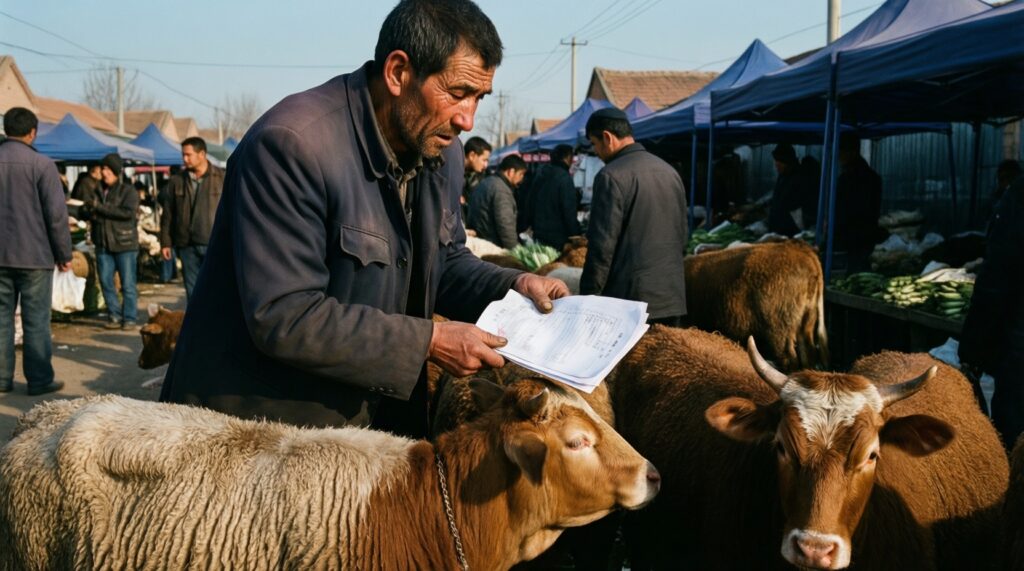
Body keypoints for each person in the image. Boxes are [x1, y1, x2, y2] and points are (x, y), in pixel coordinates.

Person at [159, 0, 568, 439]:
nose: (467, 119)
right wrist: (427, 341)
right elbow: (284, 314)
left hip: (362, 425)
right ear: (397, 73)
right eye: (457, 93)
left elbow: (444, 261)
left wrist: (513, 286)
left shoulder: (438, 149)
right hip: (255, 430)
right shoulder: (293, 146)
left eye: (478, 98)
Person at [580, 107, 688, 326]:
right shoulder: (669, 172)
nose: (596, 151)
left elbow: (602, 249)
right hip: (672, 297)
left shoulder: (611, 176)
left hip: (630, 304)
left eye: (594, 143)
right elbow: (682, 237)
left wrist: (587, 299)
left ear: (607, 138)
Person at [0, 107, 70, 396]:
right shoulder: (41, 165)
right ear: (32, 132)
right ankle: (39, 380)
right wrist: (64, 254)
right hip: (35, 257)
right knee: (36, 321)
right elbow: (56, 215)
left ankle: (2, 380)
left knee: (1, 320)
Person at [960, 174, 1024, 449]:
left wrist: (972, 352)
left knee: (1014, 443)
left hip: (1020, 352)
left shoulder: (1019, 196)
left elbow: (995, 281)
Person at [158, 137, 225, 300]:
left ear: (202, 154)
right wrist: (165, 242)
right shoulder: (177, 181)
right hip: (186, 244)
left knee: (218, 289)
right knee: (192, 292)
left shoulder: (222, 178)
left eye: (188, 155)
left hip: (214, 243)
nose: (184, 159)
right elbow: (168, 213)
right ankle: (198, 325)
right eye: (183, 155)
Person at [84, 153, 140, 329]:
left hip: (124, 244)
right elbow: (91, 211)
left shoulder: (128, 191)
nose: (104, 172)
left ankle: (129, 317)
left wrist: (99, 208)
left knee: (128, 284)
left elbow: (127, 213)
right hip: (103, 243)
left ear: (116, 171)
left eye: (107, 169)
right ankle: (114, 315)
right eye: (103, 168)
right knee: (106, 282)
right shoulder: (97, 190)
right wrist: (88, 211)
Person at [832, 133, 883, 272]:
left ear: (852, 152)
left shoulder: (851, 178)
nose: (838, 156)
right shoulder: (871, 177)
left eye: (841, 151)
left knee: (854, 273)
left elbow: (847, 210)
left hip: (853, 238)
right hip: (862, 238)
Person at [468, 154, 526, 248]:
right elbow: (505, 225)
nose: (522, 178)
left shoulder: (487, 182)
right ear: (511, 172)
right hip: (493, 245)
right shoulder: (501, 190)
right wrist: (515, 251)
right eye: (521, 174)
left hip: (481, 241)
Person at [529, 143, 580, 249]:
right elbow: (569, 210)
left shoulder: (540, 174)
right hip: (558, 237)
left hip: (539, 233)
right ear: (567, 158)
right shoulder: (564, 178)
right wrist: (576, 235)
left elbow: (529, 202)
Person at [767, 143, 805, 236]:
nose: (776, 164)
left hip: (789, 231)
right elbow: (777, 198)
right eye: (776, 160)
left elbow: (793, 208)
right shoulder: (783, 175)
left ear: (788, 161)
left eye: (780, 161)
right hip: (776, 229)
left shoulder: (798, 178)